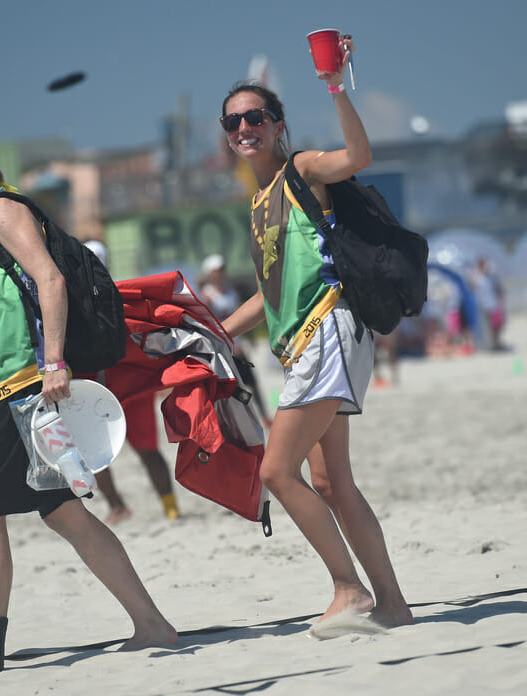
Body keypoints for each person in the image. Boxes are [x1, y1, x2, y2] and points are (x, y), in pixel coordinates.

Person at [0, 124, 176, 684]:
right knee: (64, 514)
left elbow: (51, 279)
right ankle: (152, 625)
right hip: (9, 389)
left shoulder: (1, 210)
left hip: (27, 387)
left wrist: (55, 362)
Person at [217, 35, 412, 630]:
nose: (244, 126)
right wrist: (214, 331)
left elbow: (356, 156)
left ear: (277, 126)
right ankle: (395, 606)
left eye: (256, 116)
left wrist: (334, 87)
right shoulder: (257, 205)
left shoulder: (300, 171)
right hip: (309, 341)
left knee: (278, 472)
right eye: (233, 120)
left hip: (330, 330)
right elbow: (267, 297)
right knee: (329, 480)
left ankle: (349, 590)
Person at [83, 239, 180, 524]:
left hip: (131, 388)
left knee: (148, 451)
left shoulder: (122, 297)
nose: (94, 267)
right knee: (94, 455)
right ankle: (117, 506)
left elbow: (148, 338)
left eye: (98, 260)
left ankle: (171, 509)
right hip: (93, 389)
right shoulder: (70, 299)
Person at [198, 253, 274, 430]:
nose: (221, 273)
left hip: (238, 346)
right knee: (228, 388)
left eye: (222, 269)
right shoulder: (207, 296)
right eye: (217, 270)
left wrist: (250, 337)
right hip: (222, 349)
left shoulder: (231, 291)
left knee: (252, 383)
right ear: (209, 273)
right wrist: (229, 344)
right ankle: (228, 422)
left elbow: (243, 316)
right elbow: (210, 326)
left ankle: (263, 416)